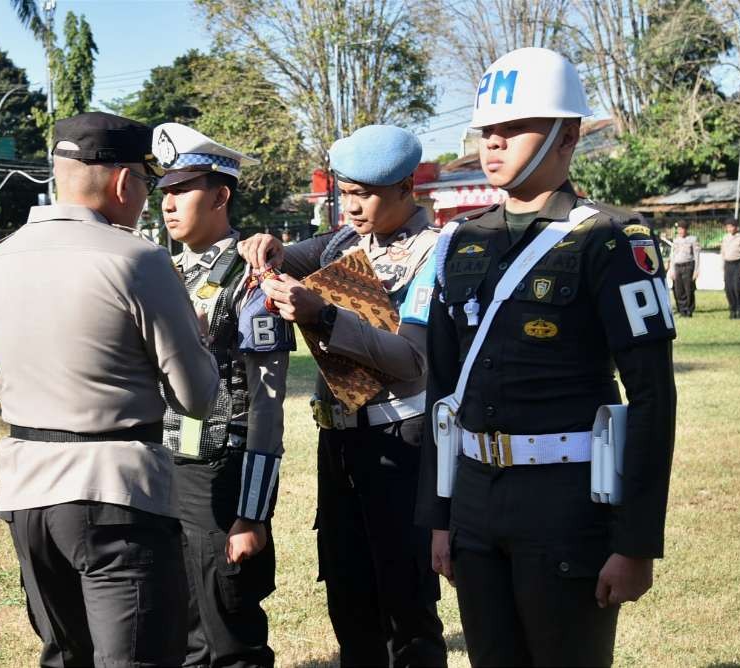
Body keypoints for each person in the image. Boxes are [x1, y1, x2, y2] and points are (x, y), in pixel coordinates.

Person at [416, 47, 677, 667]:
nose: (494, 143)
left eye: (514, 127)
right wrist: (441, 516)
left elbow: (651, 397)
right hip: (477, 500)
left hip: (566, 505)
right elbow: (442, 393)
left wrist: (636, 542)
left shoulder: (610, 239)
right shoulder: (461, 240)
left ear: (568, 135)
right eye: (487, 130)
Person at [0, 111, 220, 667]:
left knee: (64, 656)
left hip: (27, 489)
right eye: (148, 184)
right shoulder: (139, 259)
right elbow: (198, 398)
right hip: (115, 491)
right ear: (125, 182)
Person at [239, 124, 447, 667]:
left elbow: (412, 360)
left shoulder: (437, 251)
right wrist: (268, 246)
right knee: (348, 597)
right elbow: (286, 256)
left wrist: (325, 316)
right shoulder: (342, 242)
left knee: (406, 604)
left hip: (402, 439)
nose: (351, 207)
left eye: (365, 195)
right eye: (345, 193)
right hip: (341, 442)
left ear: (407, 188)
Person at [153, 123, 294, 668]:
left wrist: (253, 513)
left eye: (181, 190)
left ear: (219, 195)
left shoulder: (250, 276)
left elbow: (266, 406)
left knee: (229, 634)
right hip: (167, 469)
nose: (168, 203)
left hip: (221, 475)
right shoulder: (161, 271)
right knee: (180, 631)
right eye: (163, 190)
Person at [720, 220, 740, 319]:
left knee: (737, 287)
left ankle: (739, 309)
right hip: (728, 264)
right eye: (728, 227)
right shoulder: (725, 238)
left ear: (736, 227)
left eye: (732, 226)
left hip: (738, 263)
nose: (730, 229)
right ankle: (732, 309)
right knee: (728, 288)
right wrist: (722, 265)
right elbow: (723, 252)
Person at [667, 221, 699, 317]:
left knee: (688, 289)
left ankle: (689, 310)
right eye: (679, 229)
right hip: (677, 266)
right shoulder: (676, 240)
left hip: (688, 266)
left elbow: (696, 256)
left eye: (682, 229)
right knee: (678, 289)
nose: (681, 231)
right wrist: (671, 270)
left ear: (686, 229)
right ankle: (681, 309)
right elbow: (672, 256)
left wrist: (696, 270)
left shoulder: (692, 239)